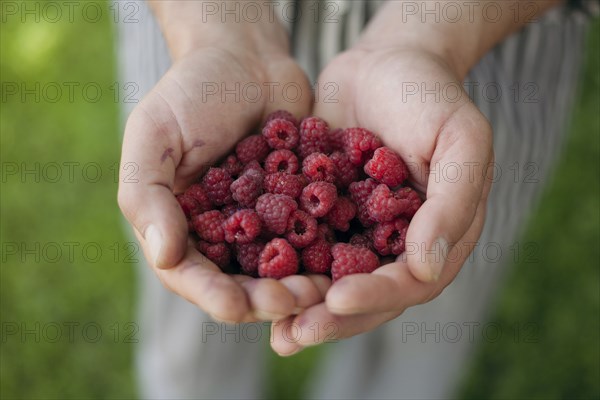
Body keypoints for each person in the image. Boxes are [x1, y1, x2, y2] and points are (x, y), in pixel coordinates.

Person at [117, 1, 594, 398]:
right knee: (195, 316)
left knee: (427, 310)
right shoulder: (235, 182)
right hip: (204, 38)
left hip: (474, 45)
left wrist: (432, 38)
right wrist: (212, 33)